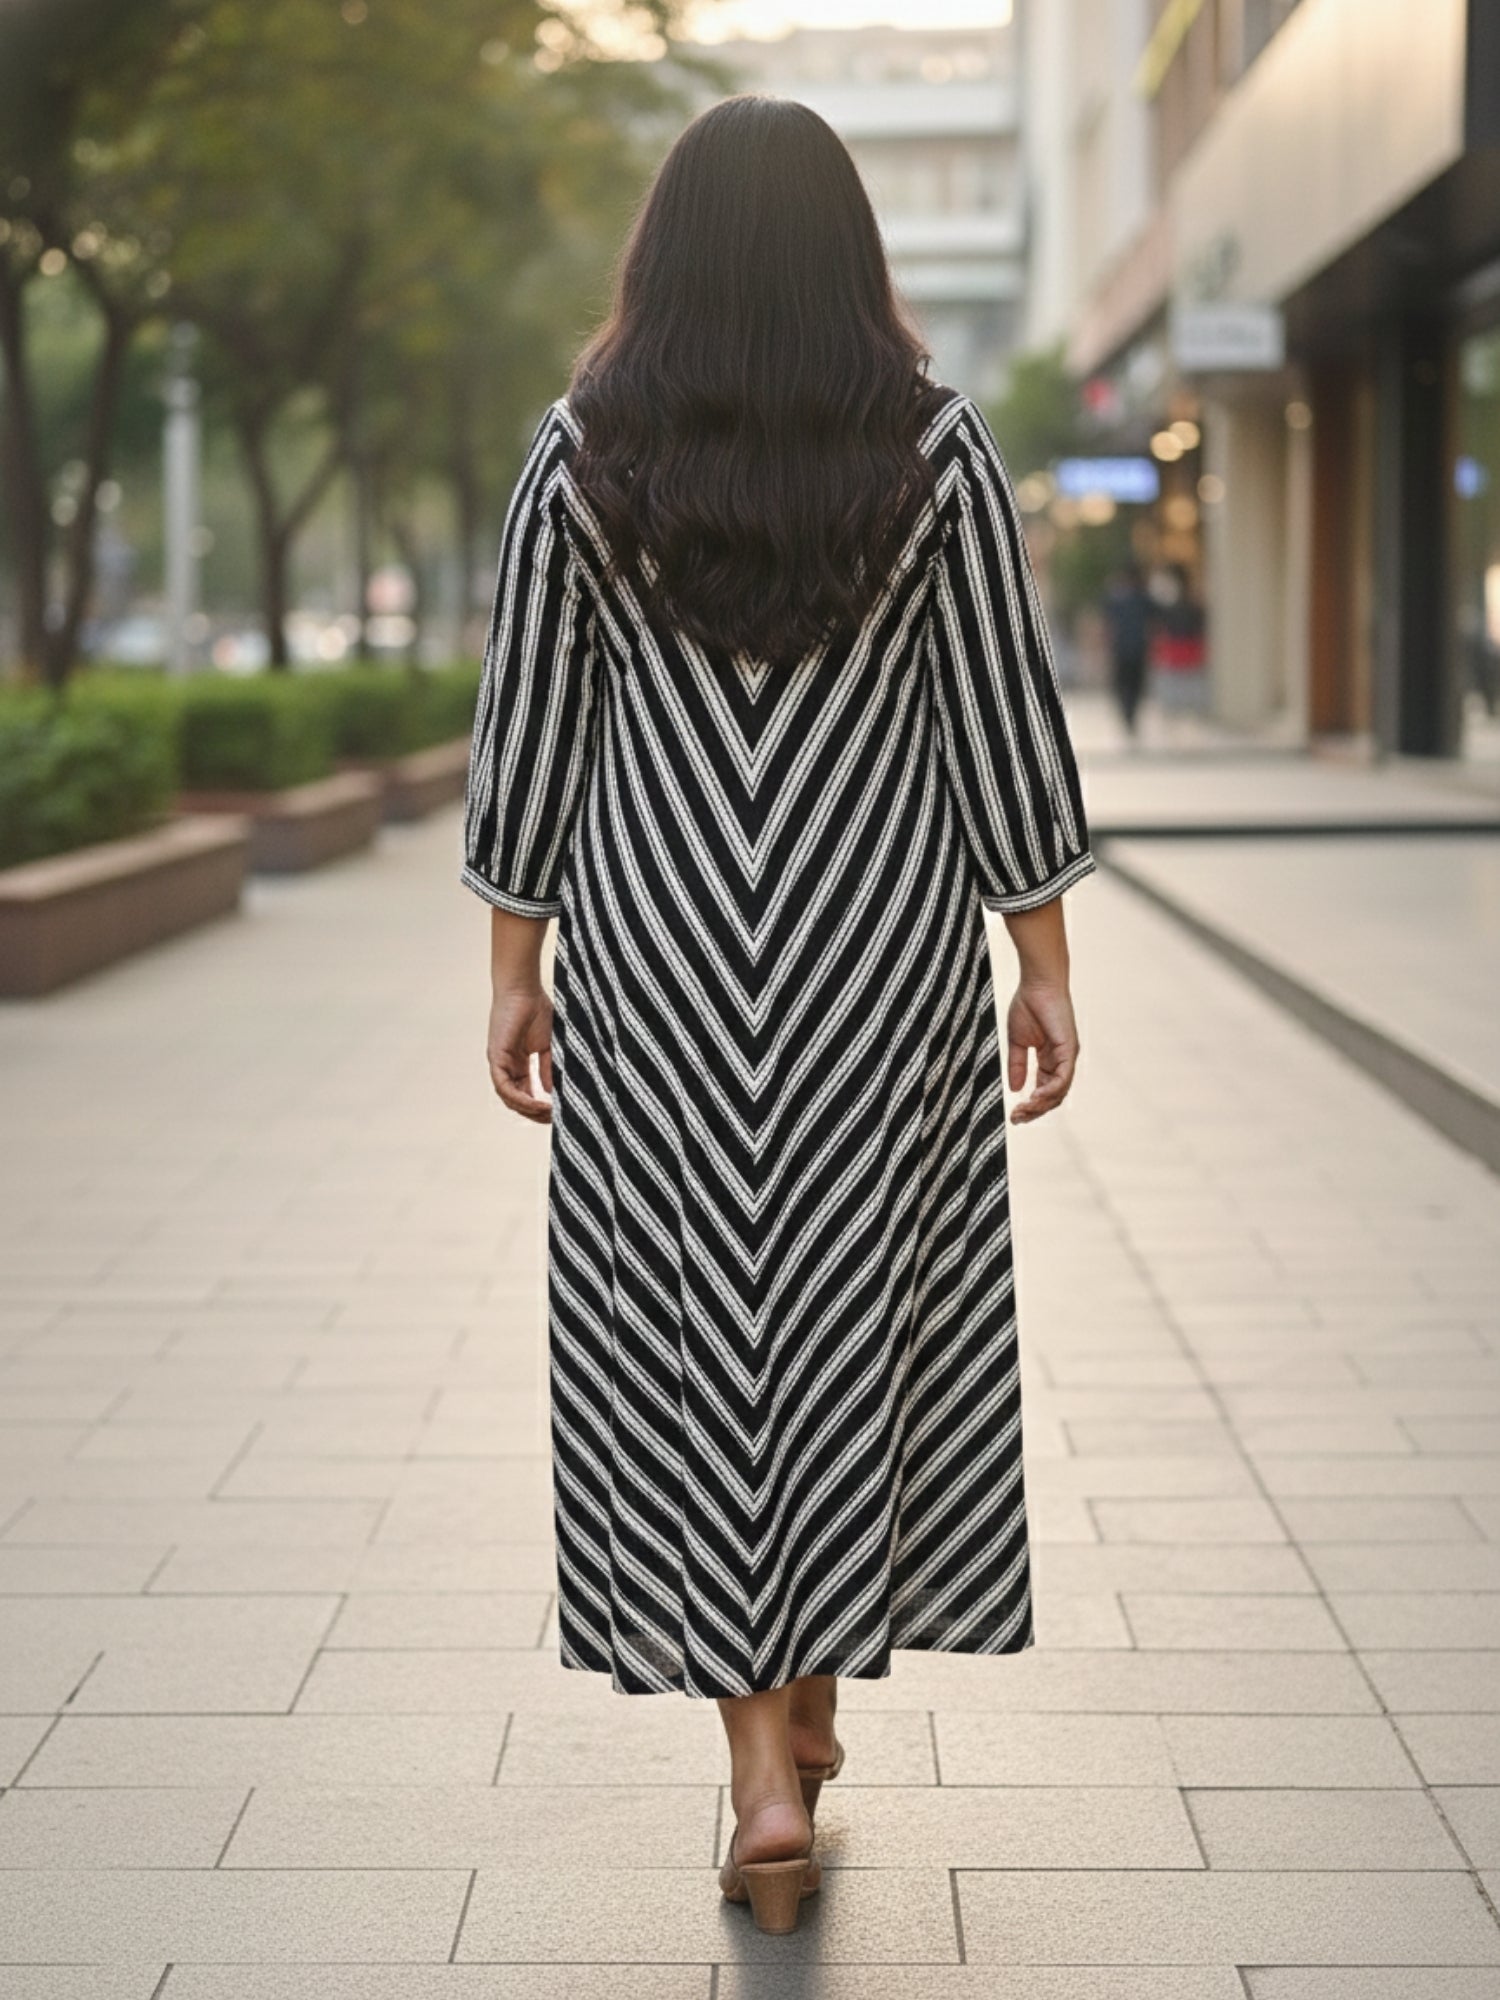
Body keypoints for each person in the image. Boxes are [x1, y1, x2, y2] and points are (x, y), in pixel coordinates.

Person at [460, 94, 1095, 1936]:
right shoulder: (940, 448)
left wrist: (514, 967)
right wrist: (1041, 954)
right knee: (844, 1322)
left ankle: (760, 1758)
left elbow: (530, 731)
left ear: (664, 256)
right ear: (849, 254)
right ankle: (791, 1732)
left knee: (703, 1340)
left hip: (659, 967)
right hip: (874, 964)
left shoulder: (584, 452)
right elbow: (999, 711)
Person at [1101, 562, 1153, 738]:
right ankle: (1130, 715)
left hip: (1123, 648)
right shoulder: (1142, 598)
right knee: (1134, 685)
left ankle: (1128, 714)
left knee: (1124, 685)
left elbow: (1108, 624)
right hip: (1136, 648)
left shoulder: (1117, 598)